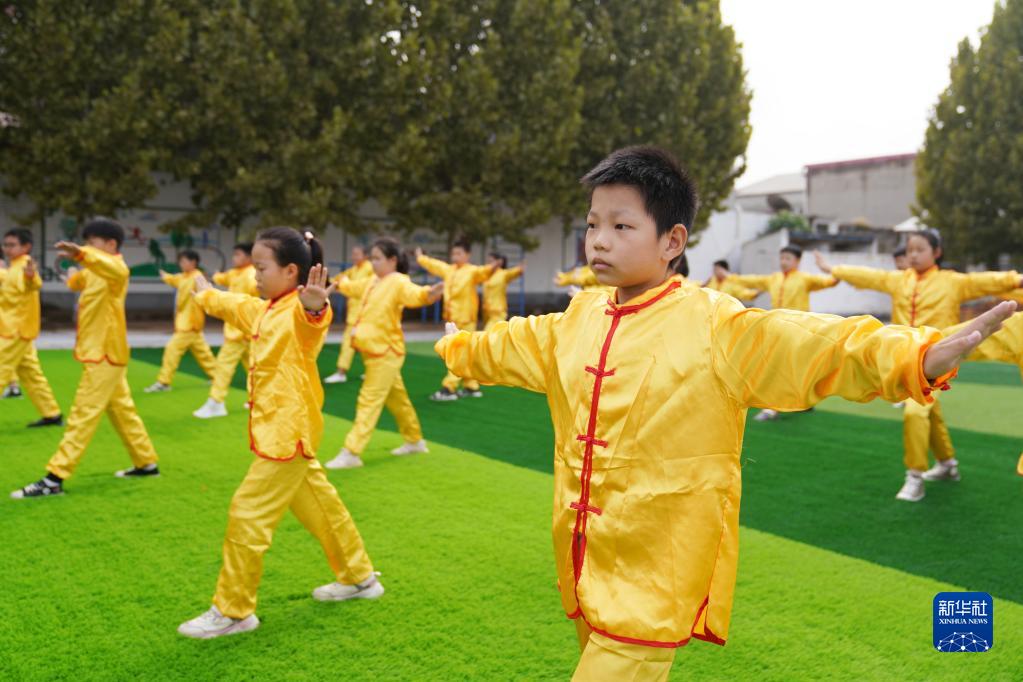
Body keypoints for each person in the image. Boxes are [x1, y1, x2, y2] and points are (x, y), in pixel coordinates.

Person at [434, 146, 1010, 680]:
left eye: (621, 226)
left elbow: (814, 345)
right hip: (582, 556)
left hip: (657, 568)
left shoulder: (714, 325)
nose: (598, 241)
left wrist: (917, 354)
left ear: (672, 240)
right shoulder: (578, 317)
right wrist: (458, 346)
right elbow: (509, 346)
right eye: (592, 224)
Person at [178, 227, 382, 640]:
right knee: (322, 509)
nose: (254, 275)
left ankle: (234, 610)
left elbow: (312, 323)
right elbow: (232, 303)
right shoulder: (265, 308)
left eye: (261, 267)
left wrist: (313, 308)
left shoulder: (299, 310)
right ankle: (359, 577)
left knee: (246, 514)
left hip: (287, 435)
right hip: (285, 432)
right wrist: (203, 292)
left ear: (291, 271)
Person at [816, 231, 1022, 501]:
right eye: (910, 249)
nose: (912, 254)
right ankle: (947, 465)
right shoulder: (898, 280)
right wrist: (835, 269)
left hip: (939, 361)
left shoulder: (952, 282)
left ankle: (914, 476)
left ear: (936, 252)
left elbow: (984, 281)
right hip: (905, 358)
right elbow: (869, 276)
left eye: (920, 249)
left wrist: (1015, 279)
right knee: (929, 410)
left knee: (915, 412)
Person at [11, 218, 160, 499]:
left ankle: (55, 477)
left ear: (111, 244)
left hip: (104, 353)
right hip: (102, 353)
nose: (88, 248)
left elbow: (110, 267)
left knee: (82, 415)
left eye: (93, 242)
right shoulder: (94, 268)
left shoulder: (117, 269)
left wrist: (81, 253)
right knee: (122, 411)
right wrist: (74, 268)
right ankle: (146, 461)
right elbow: (79, 281)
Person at [324, 238, 444, 469]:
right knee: (398, 400)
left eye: (378, 258)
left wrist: (430, 293)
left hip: (385, 352)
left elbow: (414, 294)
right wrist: (336, 282)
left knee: (368, 400)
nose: (373, 262)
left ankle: (351, 451)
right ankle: (415, 440)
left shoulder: (398, 281)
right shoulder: (373, 281)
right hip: (375, 350)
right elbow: (351, 287)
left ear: (393, 260)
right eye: (372, 258)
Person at [731, 245, 837, 420]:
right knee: (779, 367)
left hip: (799, 331)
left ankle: (778, 406)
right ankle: (781, 405)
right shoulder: (774, 278)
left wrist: (827, 268)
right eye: (782, 258)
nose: (784, 262)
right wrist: (730, 277)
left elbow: (831, 281)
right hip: (778, 330)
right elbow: (752, 280)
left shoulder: (805, 279)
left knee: (793, 368)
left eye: (788, 258)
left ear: (797, 261)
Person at [416, 241, 495, 401]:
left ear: (467, 255)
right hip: (452, 319)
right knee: (465, 353)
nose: (455, 256)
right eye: (454, 253)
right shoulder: (449, 270)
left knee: (456, 353)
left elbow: (484, 272)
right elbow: (434, 265)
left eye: (459, 253)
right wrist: (420, 258)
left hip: (466, 319)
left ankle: (449, 387)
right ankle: (471, 386)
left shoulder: (472, 271)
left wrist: (493, 266)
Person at [0, 228, 62, 427]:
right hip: (18, 330)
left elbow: (32, 283)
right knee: (31, 374)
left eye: (12, 245)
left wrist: (30, 276)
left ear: (26, 247)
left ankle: (51, 413)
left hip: (14, 331)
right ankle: (51, 413)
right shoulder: (13, 268)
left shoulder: (24, 267)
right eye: (5, 245)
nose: (7, 249)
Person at [193, 242, 259, 419]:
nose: (234, 258)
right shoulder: (234, 273)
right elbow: (222, 278)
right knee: (253, 368)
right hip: (243, 330)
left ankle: (216, 402)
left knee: (224, 366)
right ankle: (257, 400)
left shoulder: (251, 275)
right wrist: (214, 276)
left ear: (248, 257)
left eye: (238, 254)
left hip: (242, 330)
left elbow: (257, 292)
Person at [145, 249, 217, 393]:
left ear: (193, 262)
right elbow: (173, 279)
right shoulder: (184, 276)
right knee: (204, 354)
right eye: (181, 261)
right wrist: (164, 276)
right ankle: (218, 378)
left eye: (184, 261)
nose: (181, 264)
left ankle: (164, 382)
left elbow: (207, 293)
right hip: (190, 324)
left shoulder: (197, 277)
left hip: (189, 323)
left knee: (172, 350)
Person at [324, 244, 374, 384]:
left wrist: (346, 285)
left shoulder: (370, 269)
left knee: (349, 343)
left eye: (357, 253)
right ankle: (372, 370)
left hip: (364, 314)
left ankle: (341, 372)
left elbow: (360, 288)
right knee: (364, 345)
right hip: (355, 313)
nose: (354, 256)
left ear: (365, 256)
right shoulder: (354, 270)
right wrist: (328, 281)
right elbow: (339, 279)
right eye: (353, 253)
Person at [482, 252, 525, 331]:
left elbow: (514, 272)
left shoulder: (503, 274)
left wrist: (520, 268)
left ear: (499, 262)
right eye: (488, 262)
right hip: (487, 312)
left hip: (498, 311)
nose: (489, 264)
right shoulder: (487, 276)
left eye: (491, 262)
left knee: (487, 333)